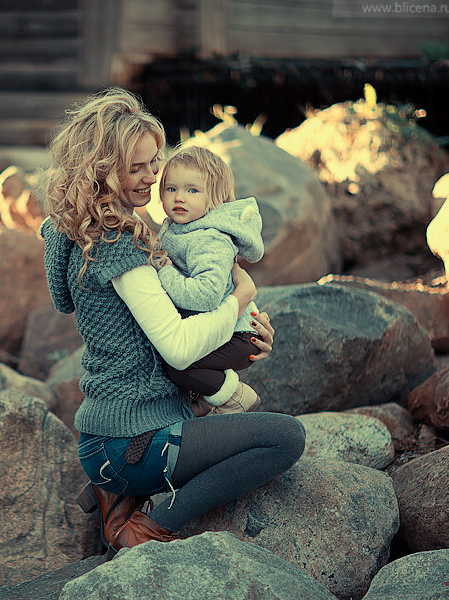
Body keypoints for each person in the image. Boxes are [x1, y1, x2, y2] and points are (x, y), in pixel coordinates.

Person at [40, 87, 305, 557]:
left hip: (120, 429)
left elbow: (80, 305)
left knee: (242, 417)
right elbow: (179, 350)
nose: (151, 178)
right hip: (132, 438)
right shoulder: (119, 244)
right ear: (102, 168)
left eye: (153, 163)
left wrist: (242, 335)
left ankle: (112, 489)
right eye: (135, 167)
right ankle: (145, 522)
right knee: (284, 438)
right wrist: (240, 297)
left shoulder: (82, 229)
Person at [156, 144, 265, 416]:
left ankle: (234, 397)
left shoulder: (209, 238)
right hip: (223, 328)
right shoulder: (179, 228)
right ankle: (207, 399)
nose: (179, 197)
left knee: (179, 363)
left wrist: (164, 269)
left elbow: (205, 297)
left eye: (192, 190)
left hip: (239, 335)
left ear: (215, 199)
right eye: (171, 189)